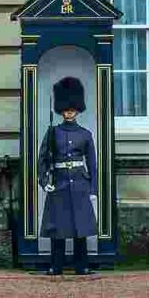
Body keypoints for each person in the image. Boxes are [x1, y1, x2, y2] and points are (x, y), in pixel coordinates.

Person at [38, 76, 98, 276]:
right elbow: (43, 160)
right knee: (59, 228)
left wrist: (93, 189)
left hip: (80, 183)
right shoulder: (53, 132)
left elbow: (93, 164)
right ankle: (56, 265)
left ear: (77, 109)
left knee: (80, 227)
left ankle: (82, 265)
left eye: (72, 109)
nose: (69, 112)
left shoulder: (85, 134)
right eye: (66, 109)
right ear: (61, 109)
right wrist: (44, 181)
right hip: (60, 183)